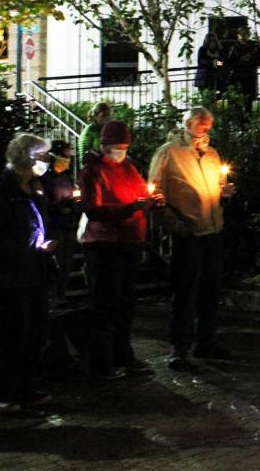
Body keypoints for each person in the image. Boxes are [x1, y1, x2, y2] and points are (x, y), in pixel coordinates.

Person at [149, 107, 236, 370]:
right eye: (201, 127)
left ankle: (206, 341)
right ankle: (180, 347)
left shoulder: (212, 154)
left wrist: (225, 193)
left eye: (208, 127)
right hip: (187, 233)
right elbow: (154, 193)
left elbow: (216, 190)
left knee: (210, 290)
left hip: (212, 231)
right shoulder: (169, 153)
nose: (205, 132)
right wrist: (175, 226)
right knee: (185, 291)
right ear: (187, 124)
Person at [79, 121, 162, 379]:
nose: (121, 152)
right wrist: (130, 208)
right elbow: (92, 210)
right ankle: (101, 363)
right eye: (117, 147)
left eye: (125, 147)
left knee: (125, 304)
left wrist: (154, 201)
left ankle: (123, 355)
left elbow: (140, 194)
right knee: (105, 305)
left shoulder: (128, 168)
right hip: (105, 245)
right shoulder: (92, 171)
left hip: (129, 242)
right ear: (104, 146)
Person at [0, 133, 56, 413]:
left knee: (36, 333)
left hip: (34, 273)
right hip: (10, 276)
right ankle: (2, 392)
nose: (47, 161)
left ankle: (25, 388)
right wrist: (26, 252)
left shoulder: (35, 188)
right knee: (15, 334)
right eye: (42, 156)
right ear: (27, 158)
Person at [40, 140, 81, 301]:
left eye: (68, 156)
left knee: (67, 262)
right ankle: (53, 295)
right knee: (55, 262)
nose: (67, 160)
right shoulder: (45, 178)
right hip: (55, 226)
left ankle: (61, 294)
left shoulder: (68, 177)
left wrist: (74, 207)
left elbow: (75, 198)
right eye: (64, 156)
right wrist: (58, 208)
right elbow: (44, 201)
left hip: (69, 225)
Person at [226, 27, 260, 110]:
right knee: (237, 101)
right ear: (238, 36)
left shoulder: (254, 46)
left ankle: (247, 120)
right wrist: (240, 60)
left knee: (249, 101)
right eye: (241, 34)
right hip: (238, 77)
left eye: (245, 34)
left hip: (250, 76)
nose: (243, 37)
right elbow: (229, 63)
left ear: (249, 35)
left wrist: (251, 60)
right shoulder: (235, 48)